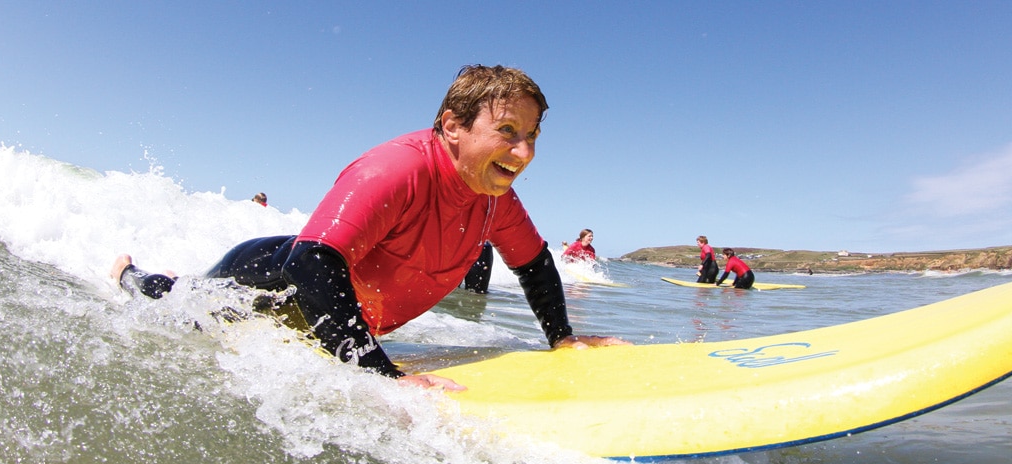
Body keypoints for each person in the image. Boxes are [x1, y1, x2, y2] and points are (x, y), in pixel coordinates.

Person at [112, 65, 629, 391]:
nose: (525, 152)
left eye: (533, 135)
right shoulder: (394, 170)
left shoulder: (495, 199)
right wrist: (381, 377)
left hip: (321, 308)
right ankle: (129, 272)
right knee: (180, 304)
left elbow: (534, 263)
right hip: (261, 280)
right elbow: (312, 261)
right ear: (452, 126)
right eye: (508, 132)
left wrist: (562, 339)